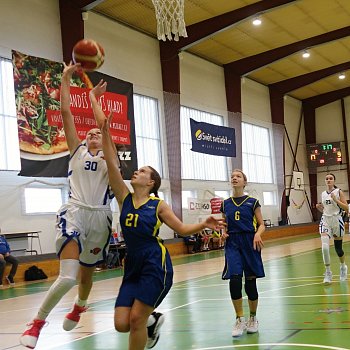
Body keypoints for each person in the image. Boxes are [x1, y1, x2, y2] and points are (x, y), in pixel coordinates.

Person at [91, 83, 225, 350]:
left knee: (136, 319)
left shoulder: (158, 205)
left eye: (142, 171)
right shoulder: (124, 197)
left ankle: (146, 323)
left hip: (155, 262)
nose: (136, 172)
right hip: (133, 264)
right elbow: (109, 156)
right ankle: (152, 323)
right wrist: (98, 111)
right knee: (121, 323)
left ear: (151, 182)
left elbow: (183, 229)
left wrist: (204, 222)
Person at [20, 63, 114, 349]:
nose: (92, 135)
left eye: (97, 133)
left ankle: (80, 306)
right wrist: (65, 78)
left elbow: (105, 126)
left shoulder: (110, 158)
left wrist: (94, 99)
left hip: (100, 219)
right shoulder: (76, 151)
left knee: (86, 275)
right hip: (74, 212)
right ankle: (37, 322)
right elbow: (65, 113)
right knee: (68, 276)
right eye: (89, 134)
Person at [220, 169, 265, 338]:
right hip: (233, 243)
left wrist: (258, 234)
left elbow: (261, 224)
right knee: (235, 280)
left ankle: (253, 317)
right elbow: (223, 224)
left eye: (238, 176)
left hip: (250, 241)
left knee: (251, 283)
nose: (234, 178)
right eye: (232, 176)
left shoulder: (252, 202)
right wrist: (222, 232)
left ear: (244, 182)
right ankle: (239, 318)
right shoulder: (225, 204)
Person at [315, 173, 348, 284]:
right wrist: (320, 208)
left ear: (334, 180)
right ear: (325, 181)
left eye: (331, 178)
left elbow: (346, 208)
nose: (328, 180)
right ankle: (328, 272)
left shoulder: (339, 192)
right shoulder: (323, 194)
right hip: (325, 220)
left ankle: (343, 267)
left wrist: (336, 200)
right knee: (324, 247)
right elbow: (325, 210)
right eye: (327, 179)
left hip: (337, 220)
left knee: (338, 250)